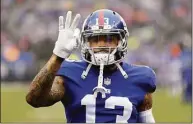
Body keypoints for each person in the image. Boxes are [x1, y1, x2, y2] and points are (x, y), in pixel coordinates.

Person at [26, 9, 156, 123]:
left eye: (109, 39)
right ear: (85, 42)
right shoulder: (70, 73)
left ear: (121, 41)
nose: (102, 45)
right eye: (95, 39)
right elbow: (35, 99)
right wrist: (58, 56)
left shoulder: (141, 78)